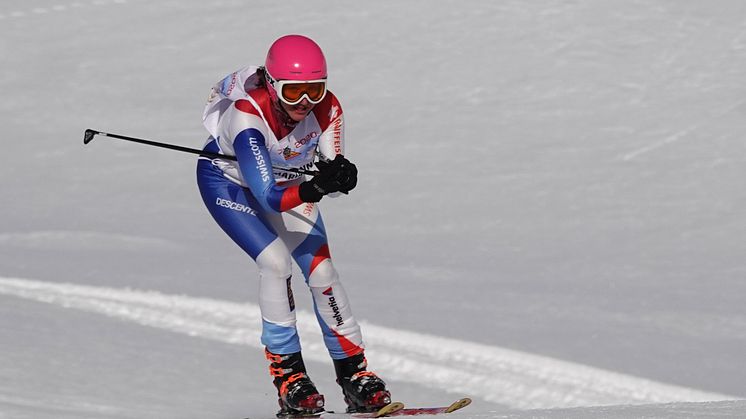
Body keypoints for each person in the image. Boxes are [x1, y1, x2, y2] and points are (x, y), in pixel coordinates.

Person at [196, 35, 391, 417]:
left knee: (323, 272)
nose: (305, 102)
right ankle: (290, 378)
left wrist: (338, 177)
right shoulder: (246, 117)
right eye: (294, 90)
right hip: (231, 186)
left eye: (314, 90)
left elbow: (327, 167)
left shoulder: (328, 108)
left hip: (288, 185)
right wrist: (316, 186)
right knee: (275, 263)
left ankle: (355, 374)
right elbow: (267, 197)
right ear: (272, 85)